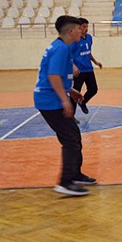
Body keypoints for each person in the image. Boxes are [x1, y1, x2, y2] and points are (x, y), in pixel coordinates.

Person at [34, 16, 98, 196]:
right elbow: (53, 76)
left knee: (73, 137)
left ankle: (74, 175)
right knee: (71, 140)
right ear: (70, 31)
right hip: (49, 101)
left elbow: (55, 75)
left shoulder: (61, 47)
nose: (82, 31)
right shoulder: (61, 49)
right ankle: (65, 182)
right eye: (79, 29)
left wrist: (70, 91)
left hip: (51, 98)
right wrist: (64, 100)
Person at [70, 17, 103, 115]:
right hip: (78, 71)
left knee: (93, 89)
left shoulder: (89, 37)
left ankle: (83, 102)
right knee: (75, 93)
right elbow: (68, 55)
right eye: (84, 26)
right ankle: (71, 116)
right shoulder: (75, 40)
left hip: (88, 68)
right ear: (79, 27)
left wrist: (95, 61)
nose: (86, 28)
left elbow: (88, 52)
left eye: (87, 26)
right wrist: (73, 66)